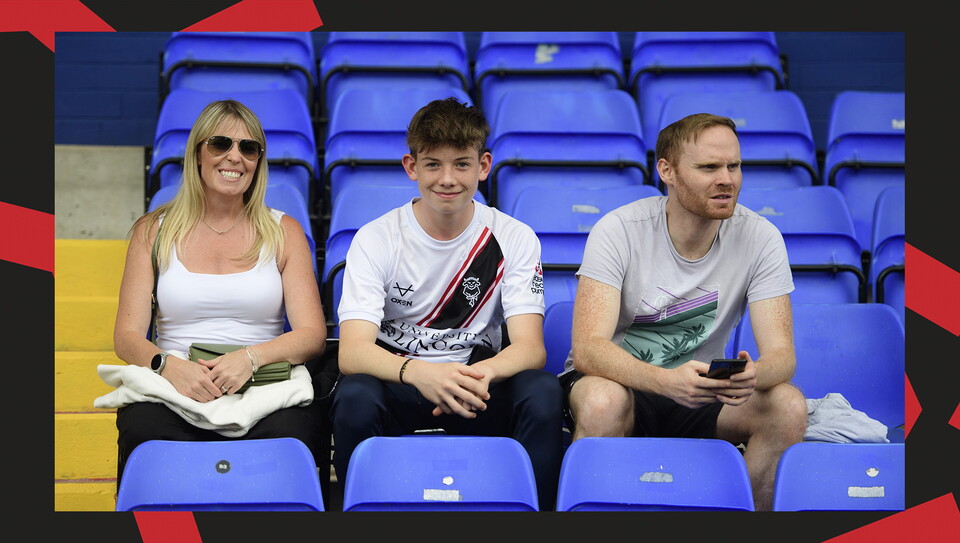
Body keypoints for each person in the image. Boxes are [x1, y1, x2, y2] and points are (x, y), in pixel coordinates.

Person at [560, 113, 807, 511]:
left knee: (786, 406)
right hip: (623, 383)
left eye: (734, 166)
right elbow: (589, 349)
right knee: (602, 401)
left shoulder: (761, 237)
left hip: (703, 390)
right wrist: (665, 381)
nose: (727, 179)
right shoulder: (619, 229)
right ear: (667, 171)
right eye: (709, 167)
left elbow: (783, 356)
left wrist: (754, 375)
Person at [329, 97, 564, 511]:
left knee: (542, 392)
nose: (448, 178)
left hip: (478, 384)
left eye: (462, 164)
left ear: (484, 166)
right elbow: (352, 352)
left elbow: (531, 348)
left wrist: (474, 377)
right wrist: (421, 374)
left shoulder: (514, 236)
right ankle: (362, 515)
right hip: (402, 381)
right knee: (355, 396)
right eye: (433, 164)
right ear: (411, 167)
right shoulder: (376, 238)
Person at [110, 99, 328, 486]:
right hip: (174, 384)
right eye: (220, 144)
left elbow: (312, 334)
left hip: (264, 385)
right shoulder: (153, 231)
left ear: (259, 160)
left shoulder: (285, 231)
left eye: (249, 148)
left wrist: (250, 358)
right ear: (198, 153)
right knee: (143, 427)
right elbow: (126, 337)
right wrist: (169, 367)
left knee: (294, 432)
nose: (235, 157)